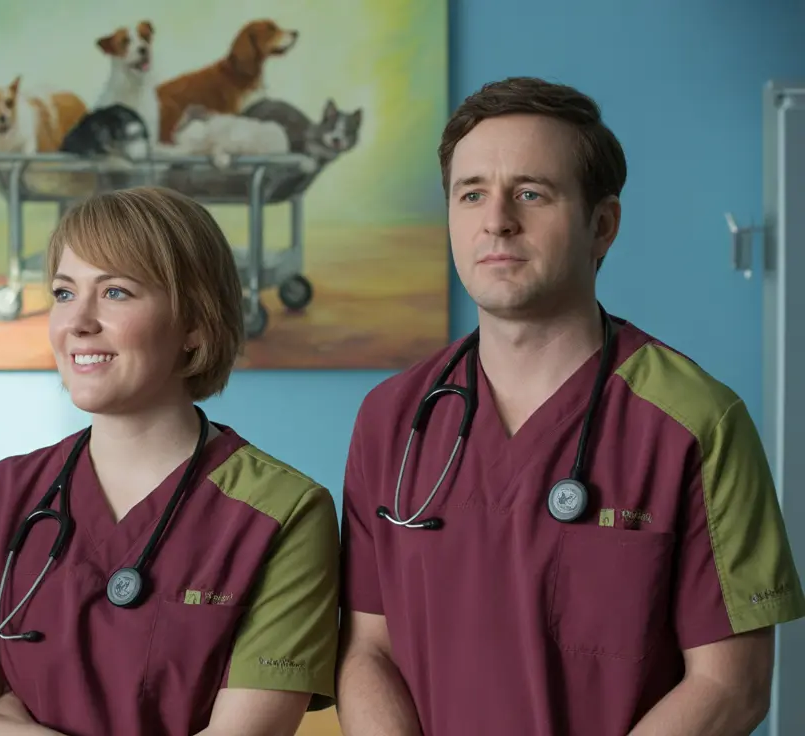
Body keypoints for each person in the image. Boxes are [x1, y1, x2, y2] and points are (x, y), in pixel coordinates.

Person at [335, 76, 805, 735]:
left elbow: (731, 686)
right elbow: (367, 648)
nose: (497, 218)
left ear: (602, 225)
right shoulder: (393, 420)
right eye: (472, 194)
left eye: (531, 193)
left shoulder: (695, 423)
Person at [0, 186, 341, 736]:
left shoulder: (283, 512)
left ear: (194, 323)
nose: (78, 322)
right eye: (63, 292)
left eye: (117, 293)